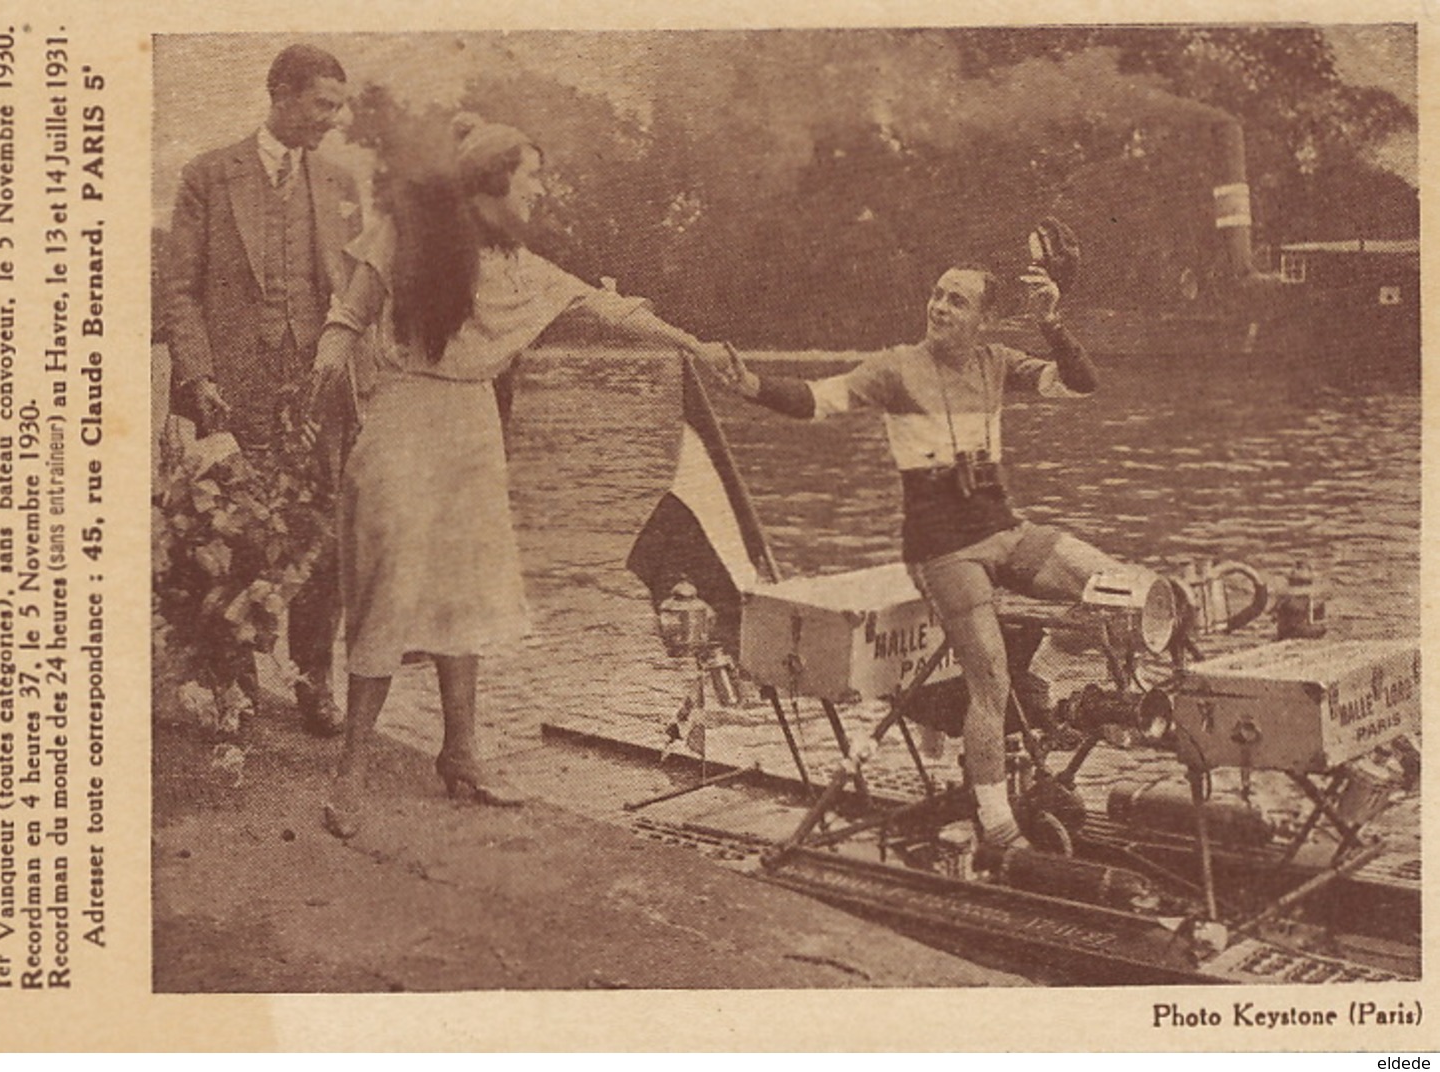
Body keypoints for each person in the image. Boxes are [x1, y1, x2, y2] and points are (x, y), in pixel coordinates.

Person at [314, 113, 730, 837]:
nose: (540, 191)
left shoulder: (517, 265)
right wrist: (324, 365)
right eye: (531, 176)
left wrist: (693, 344)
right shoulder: (405, 232)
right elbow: (348, 314)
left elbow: (607, 309)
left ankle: (462, 752)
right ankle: (350, 771)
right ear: (492, 180)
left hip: (473, 426)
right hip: (404, 419)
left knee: (463, 592)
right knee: (389, 585)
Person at [719, 261, 1141, 849]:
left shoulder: (997, 361)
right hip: (943, 548)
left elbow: (1081, 382)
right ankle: (996, 824)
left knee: (1124, 592)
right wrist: (754, 388)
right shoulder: (897, 368)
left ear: (985, 319)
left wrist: (1051, 323)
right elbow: (818, 399)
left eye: (957, 302)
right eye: (937, 295)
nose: (939, 308)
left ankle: (1042, 672)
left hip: (1004, 531)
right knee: (990, 682)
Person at [163, 44, 363, 736]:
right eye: (321, 104)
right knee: (234, 539)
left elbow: (360, 296)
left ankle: (313, 679)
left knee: (322, 539)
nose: (332, 120)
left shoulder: (339, 183)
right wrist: (200, 377)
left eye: (338, 106)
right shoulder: (210, 176)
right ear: (280, 93)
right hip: (233, 388)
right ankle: (236, 687)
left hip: (317, 389)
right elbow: (182, 292)